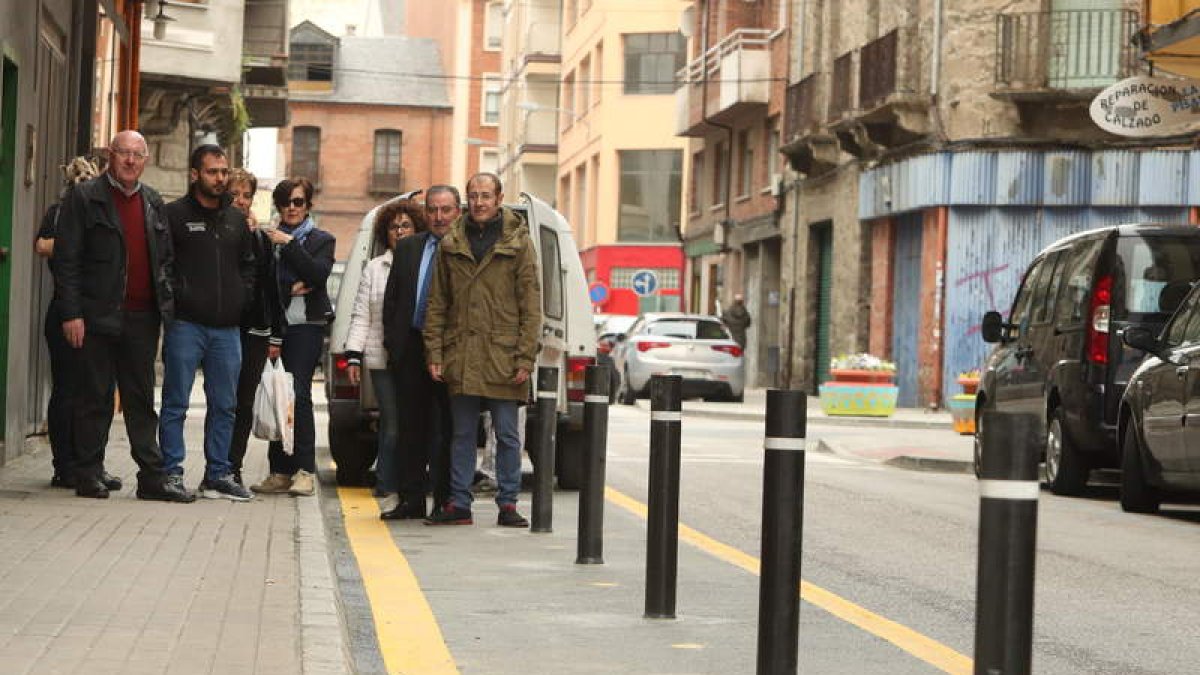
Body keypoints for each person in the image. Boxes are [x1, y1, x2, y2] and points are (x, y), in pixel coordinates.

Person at [53, 130, 193, 501]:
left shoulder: (151, 201)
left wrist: (167, 308)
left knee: (140, 399)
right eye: (124, 153)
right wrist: (72, 313)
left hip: (142, 318)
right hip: (96, 315)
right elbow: (66, 261)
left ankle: (151, 477)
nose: (130, 160)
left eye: (137, 154)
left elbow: (164, 259)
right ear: (110, 156)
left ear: (145, 160)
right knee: (94, 397)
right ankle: (88, 472)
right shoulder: (84, 197)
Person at [423, 173, 542, 527]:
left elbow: (531, 305)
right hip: (462, 352)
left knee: (507, 434)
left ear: (499, 198)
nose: (478, 202)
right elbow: (437, 302)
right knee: (461, 435)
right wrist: (435, 352)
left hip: (504, 355)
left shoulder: (519, 243)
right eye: (473, 196)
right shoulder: (451, 243)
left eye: (485, 196)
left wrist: (525, 356)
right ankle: (460, 503)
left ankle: (508, 503)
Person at [158, 145, 257, 501]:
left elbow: (248, 265)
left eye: (223, 172)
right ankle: (170, 473)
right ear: (194, 174)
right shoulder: (174, 215)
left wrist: (241, 296)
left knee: (225, 405)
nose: (220, 178)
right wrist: (175, 300)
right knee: (175, 403)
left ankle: (217, 474)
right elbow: (162, 265)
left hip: (227, 329)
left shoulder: (235, 220)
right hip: (186, 325)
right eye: (213, 171)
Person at [35, 156, 123, 491]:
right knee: (68, 390)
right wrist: (76, 240)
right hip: (66, 311)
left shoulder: (106, 212)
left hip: (100, 312)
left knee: (99, 390)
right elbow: (41, 244)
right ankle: (65, 465)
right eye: (80, 180)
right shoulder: (60, 212)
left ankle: (91, 464)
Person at [249, 177, 335, 497]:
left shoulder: (321, 239)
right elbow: (265, 285)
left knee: (297, 395)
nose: (292, 208)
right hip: (274, 328)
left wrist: (288, 244)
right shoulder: (265, 239)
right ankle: (279, 471)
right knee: (274, 395)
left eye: (298, 202)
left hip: (305, 328)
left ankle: (304, 471)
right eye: (286, 202)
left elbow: (317, 275)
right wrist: (290, 286)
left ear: (308, 205)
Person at [381, 186, 459, 520]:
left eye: (446, 210)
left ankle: (444, 500)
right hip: (410, 347)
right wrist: (395, 345)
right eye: (433, 210)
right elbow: (393, 299)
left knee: (445, 430)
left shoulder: (463, 250)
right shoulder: (409, 247)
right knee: (410, 428)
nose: (439, 217)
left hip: (450, 351)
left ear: (457, 213)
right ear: (425, 213)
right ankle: (411, 499)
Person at [345, 199, 425, 516]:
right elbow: (361, 314)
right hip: (382, 359)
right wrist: (353, 355)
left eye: (406, 225)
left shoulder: (424, 263)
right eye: (394, 227)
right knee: (391, 425)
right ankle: (388, 485)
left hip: (415, 359)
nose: (400, 231)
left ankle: (414, 487)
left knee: (414, 425)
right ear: (386, 233)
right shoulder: (374, 268)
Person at [227, 168, 276, 486]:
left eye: (247, 195)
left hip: (255, 330)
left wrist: (276, 333)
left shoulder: (260, 238)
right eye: (235, 195)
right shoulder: (216, 232)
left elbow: (269, 286)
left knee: (244, 401)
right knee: (222, 399)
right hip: (223, 326)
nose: (242, 201)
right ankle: (217, 464)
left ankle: (234, 465)